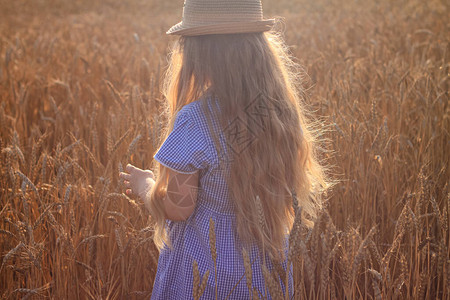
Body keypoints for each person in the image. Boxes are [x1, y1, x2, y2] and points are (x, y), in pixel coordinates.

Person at [119, 0, 332, 298]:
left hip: (207, 275)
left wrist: (146, 186)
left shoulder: (196, 120)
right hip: (263, 272)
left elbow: (179, 210)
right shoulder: (278, 112)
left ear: (200, 54)